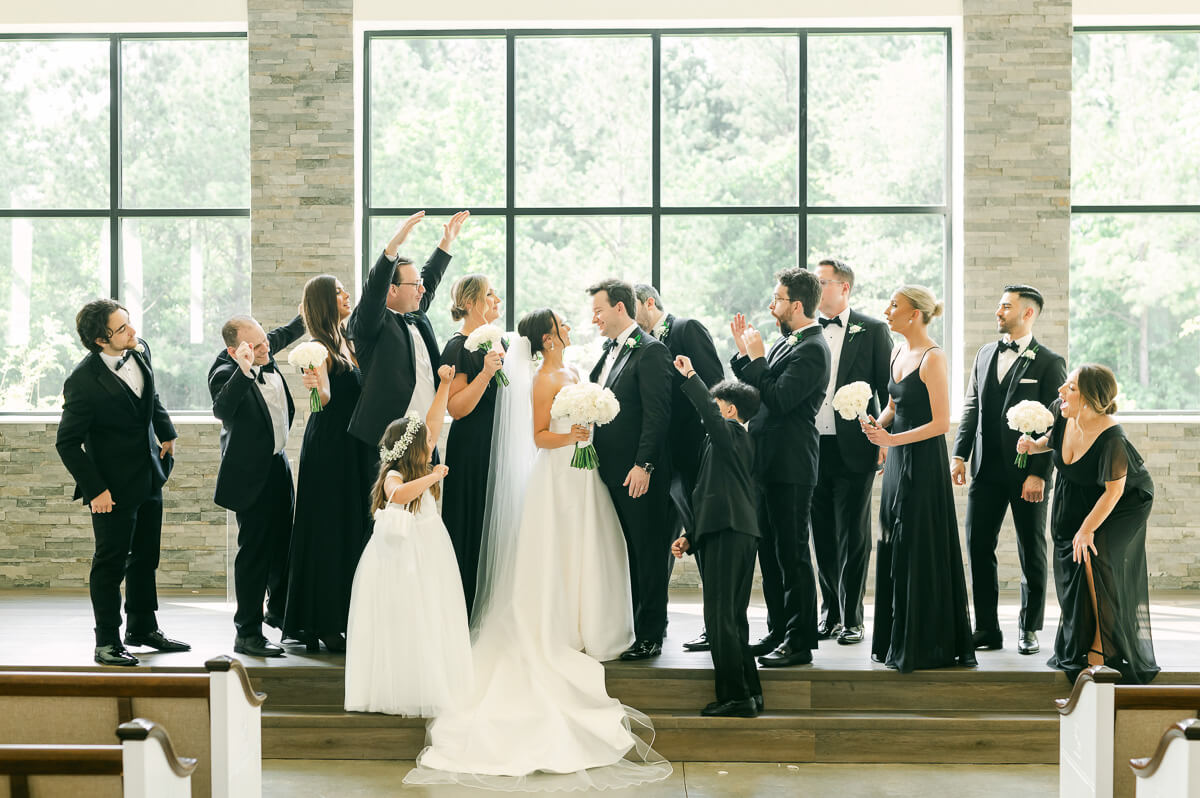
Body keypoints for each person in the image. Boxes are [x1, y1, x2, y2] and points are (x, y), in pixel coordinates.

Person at [405, 311, 668, 791]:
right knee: (558, 550)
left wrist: (591, 428)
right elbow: (539, 436)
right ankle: (561, 621)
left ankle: (596, 620)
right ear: (548, 338)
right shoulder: (545, 376)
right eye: (564, 325)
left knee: (592, 545)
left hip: (585, 474)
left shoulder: (572, 370)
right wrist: (576, 436)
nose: (571, 327)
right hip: (560, 474)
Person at [56, 299, 189, 666]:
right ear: (101, 340)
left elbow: (152, 398)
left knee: (146, 558)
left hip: (149, 476)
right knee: (110, 564)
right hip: (111, 490)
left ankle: (143, 628)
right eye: (122, 328)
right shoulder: (82, 382)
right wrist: (95, 489)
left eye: (129, 324)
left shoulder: (138, 353)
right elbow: (66, 443)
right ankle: (107, 642)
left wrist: (167, 433)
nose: (133, 332)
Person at [345, 364, 475, 715]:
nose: (432, 446)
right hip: (402, 555)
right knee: (406, 613)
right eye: (426, 445)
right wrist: (432, 477)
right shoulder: (395, 473)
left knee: (432, 611)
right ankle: (401, 684)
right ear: (411, 450)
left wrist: (445, 385)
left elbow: (432, 423)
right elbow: (398, 495)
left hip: (430, 551)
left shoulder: (419, 462)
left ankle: (433, 678)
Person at [1016, 365, 1158, 684]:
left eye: (1071, 388)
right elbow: (1053, 442)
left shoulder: (1113, 439)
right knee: (1075, 564)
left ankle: (1102, 646)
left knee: (1096, 555)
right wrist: (1032, 445)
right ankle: (1082, 638)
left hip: (1124, 502)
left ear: (1091, 398)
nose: (1061, 392)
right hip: (1081, 493)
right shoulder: (1064, 414)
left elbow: (1115, 490)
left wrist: (1087, 529)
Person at [861, 286, 976, 673]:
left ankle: (926, 642)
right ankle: (897, 637)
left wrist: (892, 439)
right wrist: (877, 425)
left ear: (915, 315)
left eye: (894, 305)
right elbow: (895, 404)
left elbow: (942, 423)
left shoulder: (933, 358)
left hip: (923, 463)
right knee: (893, 540)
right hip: (896, 461)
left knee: (917, 543)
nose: (887, 310)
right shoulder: (897, 351)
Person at [953, 285, 1066, 655]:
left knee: (1030, 548)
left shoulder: (1049, 361)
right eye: (999, 305)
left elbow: (1055, 423)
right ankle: (986, 628)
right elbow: (972, 408)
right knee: (977, 545)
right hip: (985, 470)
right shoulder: (986, 353)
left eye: (1006, 306)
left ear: (1028, 313)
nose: (998, 312)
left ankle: (1029, 628)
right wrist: (960, 455)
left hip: (1025, 472)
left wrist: (1039, 472)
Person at [730, 267, 830, 668]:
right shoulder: (786, 342)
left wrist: (757, 359)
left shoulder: (813, 347)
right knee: (769, 552)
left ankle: (800, 640)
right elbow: (759, 394)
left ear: (798, 305)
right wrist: (744, 354)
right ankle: (778, 629)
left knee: (792, 553)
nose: (773, 306)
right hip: (765, 459)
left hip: (791, 462)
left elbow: (783, 397)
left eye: (778, 300)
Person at [284, 275, 374, 654]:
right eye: (339, 291)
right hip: (329, 448)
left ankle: (349, 614)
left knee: (352, 526)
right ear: (324, 301)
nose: (347, 294)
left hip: (353, 446)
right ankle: (324, 621)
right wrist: (315, 387)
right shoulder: (318, 347)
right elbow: (323, 396)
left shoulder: (347, 341)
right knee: (328, 530)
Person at [208, 312, 307, 658]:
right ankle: (246, 633)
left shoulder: (265, 349)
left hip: (278, 466)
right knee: (254, 556)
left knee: (283, 545)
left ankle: (278, 614)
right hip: (251, 477)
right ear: (235, 349)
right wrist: (245, 370)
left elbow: (281, 334)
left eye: (265, 340)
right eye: (255, 345)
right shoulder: (225, 372)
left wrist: (303, 317)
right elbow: (222, 409)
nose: (266, 348)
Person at [633, 283, 723, 653]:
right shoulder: (638, 343)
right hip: (659, 458)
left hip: (690, 454)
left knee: (701, 540)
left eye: (631, 306)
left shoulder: (686, 329)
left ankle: (715, 627)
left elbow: (715, 384)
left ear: (649, 303)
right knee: (661, 542)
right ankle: (653, 627)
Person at [588, 280, 674, 661]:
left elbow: (658, 415)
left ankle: (651, 633)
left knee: (648, 551)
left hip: (637, 473)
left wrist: (644, 465)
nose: (595, 318)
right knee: (626, 551)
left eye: (599, 310)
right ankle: (632, 625)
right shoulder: (608, 351)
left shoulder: (652, 351)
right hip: (610, 470)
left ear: (620, 309)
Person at [670, 365, 762, 718]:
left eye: (716, 402)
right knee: (733, 618)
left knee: (720, 616)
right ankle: (750, 692)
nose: (711, 407)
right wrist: (691, 536)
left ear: (729, 410)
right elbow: (713, 492)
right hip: (731, 529)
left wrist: (691, 377)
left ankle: (735, 697)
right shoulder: (728, 443)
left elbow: (709, 416)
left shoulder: (730, 433)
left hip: (728, 531)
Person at [809, 258, 892, 646]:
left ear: (843, 287)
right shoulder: (803, 330)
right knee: (821, 534)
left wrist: (883, 436)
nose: (815, 286)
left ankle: (853, 618)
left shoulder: (873, 330)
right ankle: (830, 613)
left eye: (821, 281)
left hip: (855, 447)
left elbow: (889, 392)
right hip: (809, 448)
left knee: (854, 535)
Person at [348, 210, 469, 453]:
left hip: (426, 432)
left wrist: (446, 242)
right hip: (387, 438)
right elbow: (373, 292)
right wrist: (392, 248)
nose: (421, 290)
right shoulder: (371, 322)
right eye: (415, 285)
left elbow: (430, 278)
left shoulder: (415, 314)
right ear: (391, 290)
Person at [440, 274, 505, 616]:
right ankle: (465, 610)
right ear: (469, 303)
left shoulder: (498, 343)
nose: (496, 300)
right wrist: (485, 374)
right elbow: (457, 408)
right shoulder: (458, 347)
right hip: (473, 449)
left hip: (499, 446)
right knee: (473, 524)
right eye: (489, 294)